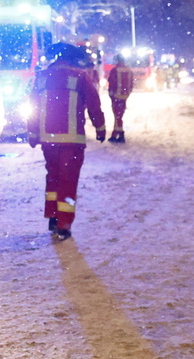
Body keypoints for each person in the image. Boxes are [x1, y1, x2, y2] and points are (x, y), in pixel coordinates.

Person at [28, 43, 106, 239]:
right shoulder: (80, 77)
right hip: (72, 141)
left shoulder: (42, 77)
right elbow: (94, 103)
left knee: (53, 177)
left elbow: (33, 105)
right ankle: (64, 224)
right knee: (68, 181)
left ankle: (53, 217)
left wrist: (33, 132)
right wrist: (100, 127)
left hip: (48, 140)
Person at [105, 53, 136, 144]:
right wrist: (127, 92)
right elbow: (131, 83)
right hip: (124, 96)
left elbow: (112, 83)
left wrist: (111, 94)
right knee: (118, 116)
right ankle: (116, 135)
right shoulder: (129, 70)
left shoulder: (115, 70)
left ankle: (120, 135)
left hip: (116, 96)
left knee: (117, 116)